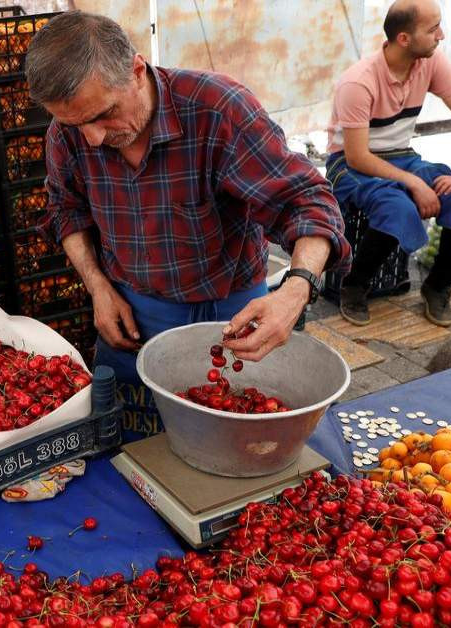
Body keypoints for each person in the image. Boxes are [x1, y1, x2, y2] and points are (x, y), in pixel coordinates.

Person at [25, 11, 351, 403]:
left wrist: (297, 289)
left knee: (239, 434)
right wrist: (97, 286)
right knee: (132, 441)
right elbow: (67, 209)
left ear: (135, 69)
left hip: (231, 312)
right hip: (131, 311)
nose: (92, 138)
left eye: (105, 114)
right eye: (77, 125)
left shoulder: (218, 110)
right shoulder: (67, 133)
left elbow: (307, 201)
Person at [326, 0, 451, 327]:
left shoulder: (431, 61)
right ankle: (354, 286)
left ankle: (438, 285)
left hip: (402, 155)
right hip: (350, 163)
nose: (441, 35)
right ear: (404, 38)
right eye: (432, 29)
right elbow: (358, 157)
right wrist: (414, 183)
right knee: (399, 208)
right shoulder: (358, 82)